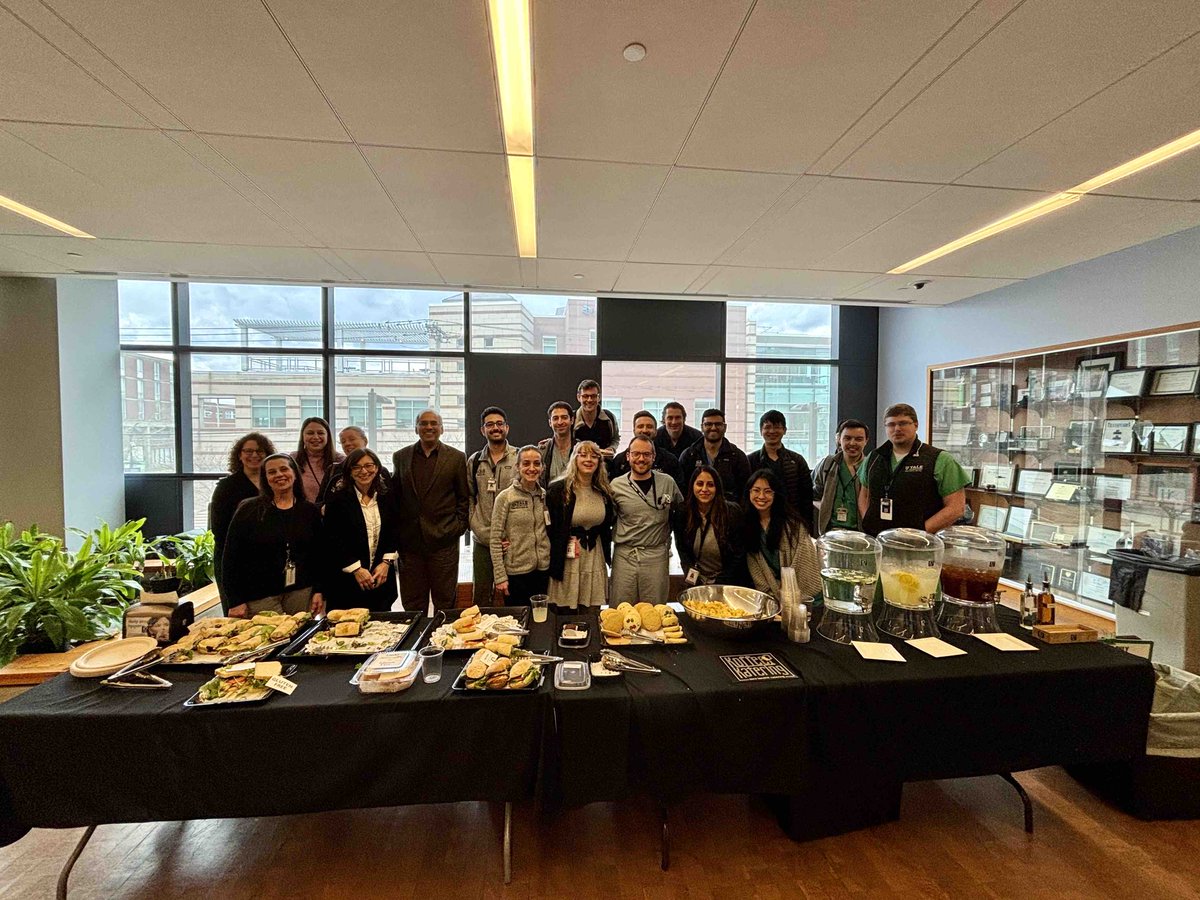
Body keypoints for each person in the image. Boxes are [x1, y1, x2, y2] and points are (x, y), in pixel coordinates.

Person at [222, 453, 325, 618]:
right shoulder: (248, 510)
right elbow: (230, 558)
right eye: (272, 472)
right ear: (265, 478)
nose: (279, 475)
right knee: (271, 641)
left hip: (301, 591)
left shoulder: (309, 511)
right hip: (260, 594)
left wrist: (319, 590)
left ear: (294, 473)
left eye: (284, 469)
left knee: (300, 640)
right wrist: (235, 601)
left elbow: (319, 555)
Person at [392, 409, 470, 611]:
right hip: (410, 545)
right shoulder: (400, 457)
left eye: (433, 423)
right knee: (412, 604)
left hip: (444, 542)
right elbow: (396, 498)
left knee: (445, 603)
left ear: (441, 428)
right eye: (423, 423)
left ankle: (441, 641)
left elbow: (464, 498)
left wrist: (457, 528)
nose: (429, 427)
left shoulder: (456, 458)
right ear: (416, 428)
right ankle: (414, 641)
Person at [858, 403, 970, 536]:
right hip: (877, 539)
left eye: (903, 423)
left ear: (916, 425)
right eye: (891, 424)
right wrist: (869, 521)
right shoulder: (874, 457)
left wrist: (919, 533)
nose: (897, 428)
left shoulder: (939, 459)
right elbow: (864, 495)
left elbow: (956, 508)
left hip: (919, 544)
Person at [322, 448, 399, 612]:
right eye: (356, 467)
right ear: (349, 471)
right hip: (346, 580)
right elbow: (332, 539)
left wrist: (386, 563)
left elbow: (394, 530)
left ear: (377, 468)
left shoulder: (386, 495)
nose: (364, 471)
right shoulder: (338, 499)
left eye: (369, 465)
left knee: (382, 630)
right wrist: (356, 569)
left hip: (381, 577)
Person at [609, 436, 684, 604]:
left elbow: (681, 513)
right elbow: (608, 519)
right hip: (625, 555)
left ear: (654, 456)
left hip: (655, 554)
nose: (641, 459)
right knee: (621, 607)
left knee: (655, 608)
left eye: (646, 454)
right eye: (636, 454)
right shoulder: (616, 486)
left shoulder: (667, 483)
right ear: (628, 456)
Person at [209, 431, 276, 611]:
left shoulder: (274, 482)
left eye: (260, 451)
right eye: (248, 451)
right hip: (234, 558)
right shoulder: (227, 486)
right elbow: (219, 529)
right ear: (239, 455)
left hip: (266, 561)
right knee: (239, 612)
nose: (254, 455)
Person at [547, 442, 615, 610]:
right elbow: (549, 528)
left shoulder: (604, 491)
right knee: (564, 612)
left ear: (600, 461)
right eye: (583, 455)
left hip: (594, 556)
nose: (588, 460)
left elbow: (607, 526)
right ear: (574, 459)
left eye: (594, 456)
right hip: (567, 558)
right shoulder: (558, 490)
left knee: (591, 611)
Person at [744, 468, 822, 600]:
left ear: (776, 494)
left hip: (804, 596)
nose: (761, 496)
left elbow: (805, 566)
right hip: (768, 597)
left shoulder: (794, 526)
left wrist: (787, 593)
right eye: (756, 490)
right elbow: (755, 569)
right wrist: (774, 593)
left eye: (768, 491)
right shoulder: (747, 525)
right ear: (749, 493)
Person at [467, 406, 518, 604]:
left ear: (507, 428)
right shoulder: (474, 462)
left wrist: (513, 536)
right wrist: (477, 527)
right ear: (483, 430)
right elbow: (470, 496)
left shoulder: (519, 458)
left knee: (512, 596)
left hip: (511, 542)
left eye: (499, 424)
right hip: (482, 540)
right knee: (481, 597)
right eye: (490, 424)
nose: (495, 428)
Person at [489, 445, 551, 605]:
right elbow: (495, 538)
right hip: (516, 573)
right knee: (518, 624)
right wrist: (500, 576)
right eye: (526, 463)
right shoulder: (505, 497)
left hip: (543, 571)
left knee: (541, 621)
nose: (532, 468)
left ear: (542, 467)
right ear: (518, 467)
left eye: (537, 463)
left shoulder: (544, 496)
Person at [673, 465, 747, 586]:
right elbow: (682, 549)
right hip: (697, 580)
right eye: (700, 484)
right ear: (692, 486)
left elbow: (738, 554)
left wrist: (720, 583)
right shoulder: (683, 512)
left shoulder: (732, 512)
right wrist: (693, 578)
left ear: (717, 487)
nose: (704, 489)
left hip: (727, 580)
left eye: (710, 485)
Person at [747, 410, 814, 532]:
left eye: (777, 427)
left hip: (792, 521)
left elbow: (806, 497)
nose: (772, 431)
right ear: (760, 431)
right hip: (758, 522)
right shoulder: (750, 460)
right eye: (767, 427)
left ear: (785, 430)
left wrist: (806, 526)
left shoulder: (797, 460)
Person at [678, 408, 751, 502]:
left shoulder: (737, 456)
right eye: (708, 424)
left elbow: (745, 491)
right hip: (696, 512)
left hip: (728, 512)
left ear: (725, 427)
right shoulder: (689, 455)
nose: (713, 428)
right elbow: (682, 489)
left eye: (718, 424)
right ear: (702, 427)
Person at [812, 419, 870, 535]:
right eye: (847, 438)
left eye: (858, 439)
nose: (852, 443)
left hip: (860, 534)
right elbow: (814, 494)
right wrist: (825, 507)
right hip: (830, 534)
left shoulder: (870, 467)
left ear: (866, 441)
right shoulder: (827, 464)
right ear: (839, 439)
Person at [609, 410, 682, 483]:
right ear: (634, 430)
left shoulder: (670, 460)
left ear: (656, 431)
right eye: (640, 426)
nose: (644, 430)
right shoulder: (619, 461)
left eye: (649, 427)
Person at [290, 416, 344, 505]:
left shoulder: (340, 461)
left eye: (320, 433)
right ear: (303, 436)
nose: (315, 437)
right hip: (302, 514)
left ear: (328, 436)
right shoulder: (293, 459)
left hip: (330, 513)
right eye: (310, 433)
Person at [327, 425, 390, 494]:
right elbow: (322, 501)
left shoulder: (381, 471)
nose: (347, 443)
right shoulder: (334, 470)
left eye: (352, 439)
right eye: (343, 441)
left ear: (365, 441)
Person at [572, 379, 620, 457]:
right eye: (585, 396)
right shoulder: (571, 419)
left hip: (605, 465)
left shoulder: (609, 417)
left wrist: (612, 448)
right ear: (578, 397)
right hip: (579, 466)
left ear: (599, 397)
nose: (589, 400)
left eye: (593, 396)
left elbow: (615, 438)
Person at [537, 401, 575, 485]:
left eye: (564, 417)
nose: (560, 422)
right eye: (555, 418)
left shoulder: (580, 450)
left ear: (572, 420)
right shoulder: (542, 451)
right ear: (550, 422)